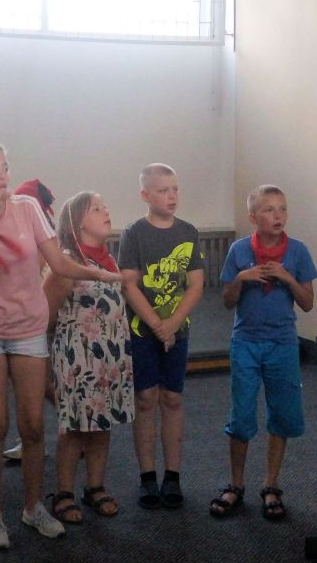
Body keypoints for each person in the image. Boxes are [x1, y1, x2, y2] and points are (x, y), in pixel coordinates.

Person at [0, 139, 120, 548]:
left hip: (28, 325)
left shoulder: (27, 208)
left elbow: (57, 262)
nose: (2, 174)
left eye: (4, 166)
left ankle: (32, 506)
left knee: (33, 424)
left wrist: (101, 275)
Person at [208, 185, 317, 521]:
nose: (278, 216)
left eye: (282, 209)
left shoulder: (297, 251)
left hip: (282, 343)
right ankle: (236, 484)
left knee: (281, 413)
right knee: (241, 415)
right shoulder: (240, 250)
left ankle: (271, 484)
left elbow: (308, 303)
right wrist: (241, 278)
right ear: (254, 217)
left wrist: (286, 277)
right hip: (246, 342)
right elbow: (227, 301)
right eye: (269, 210)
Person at [42, 192, 134, 523]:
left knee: (102, 423)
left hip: (109, 357)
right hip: (77, 359)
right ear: (78, 222)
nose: (106, 211)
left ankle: (95, 486)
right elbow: (45, 316)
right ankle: (64, 492)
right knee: (74, 428)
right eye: (96, 208)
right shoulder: (66, 263)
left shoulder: (108, 261)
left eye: (105, 206)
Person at [117, 163, 204, 510]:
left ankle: (173, 477)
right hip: (143, 330)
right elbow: (129, 285)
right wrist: (157, 325)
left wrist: (173, 324)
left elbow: (195, 285)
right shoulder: (134, 233)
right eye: (163, 190)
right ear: (146, 195)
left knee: (172, 398)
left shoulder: (188, 232)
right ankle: (147, 477)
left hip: (177, 331)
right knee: (145, 399)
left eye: (175, 189)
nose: (172, 196)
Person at [2, 178, 56, 462]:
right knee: (37, 384)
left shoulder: (38, 229)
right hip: (27, 312)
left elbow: (32, 270)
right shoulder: (38, 225)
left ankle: (77, 430)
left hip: (33, 313)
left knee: (40, 384)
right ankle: (73, 429)